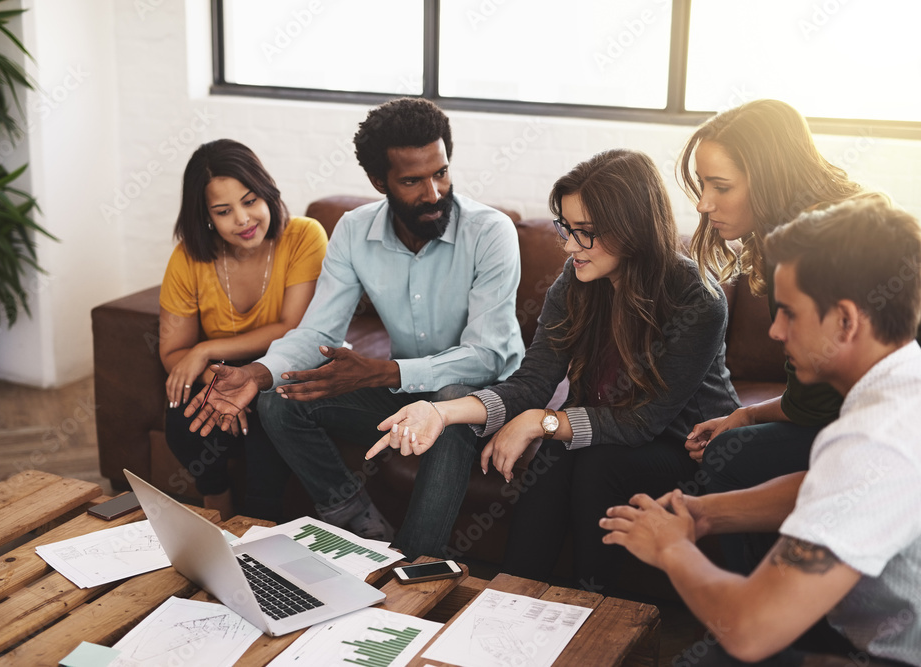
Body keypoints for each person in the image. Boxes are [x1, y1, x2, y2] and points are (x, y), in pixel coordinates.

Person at [368, 149, 740, 590]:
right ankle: (512, 597)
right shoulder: (576, 280)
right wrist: (440, 412)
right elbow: (533, 383)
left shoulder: (696, 298)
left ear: (632, 227)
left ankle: (593, 610)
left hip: (688, 447)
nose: (567, 246)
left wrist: (540, 422)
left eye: (584, 233)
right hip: (606, 437)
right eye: (566, 228)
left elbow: (643, 421)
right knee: (560, 453)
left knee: (592, 459)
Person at [184, 98, 525, 559]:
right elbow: (317, 334)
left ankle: (415, 563)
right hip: (407, 393)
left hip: (484, 399)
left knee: (447, 402)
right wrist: (257, 374)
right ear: (378, 181)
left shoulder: (490, 232)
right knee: (280, 400)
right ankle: (358, 526)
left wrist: (382, 373)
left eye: (440, 172)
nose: (434, 192)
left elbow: (488, 356)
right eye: (412, 180)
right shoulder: (353, 230)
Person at [602, 197, 921, 666]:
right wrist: (706, 513)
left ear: (846, 320)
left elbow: (751, 631)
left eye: (789, 312)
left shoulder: (871, 438)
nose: (774, 330)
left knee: (719, 655)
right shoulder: (901, 380)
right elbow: (835, 488)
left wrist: (672, 548)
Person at [678, 99, 870, 571]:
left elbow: (819, 408)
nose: (704, 203)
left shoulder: (817, 248)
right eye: (703, 184)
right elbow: (813, 397)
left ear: (770, 178)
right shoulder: (811, 225)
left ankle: (759, 608)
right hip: (849, 420)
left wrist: (743, 423)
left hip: (882, 431)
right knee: (734, 445)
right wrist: (745, 416)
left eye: (721, 186)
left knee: (729, 458)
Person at [159, 139, 327, 521]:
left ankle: (259, 523)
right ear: (205, 216)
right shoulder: (188, 258)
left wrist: (204, 350)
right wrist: (212, 378)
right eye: (223, 210)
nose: (242, 220)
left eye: (250, 201)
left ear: (267, 193)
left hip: (287, 359)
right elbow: (173, 351)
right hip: (219, 368)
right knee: (182, 412)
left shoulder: (304, 236)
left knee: (270, 407)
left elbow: (292, 327)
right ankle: (216, 500)